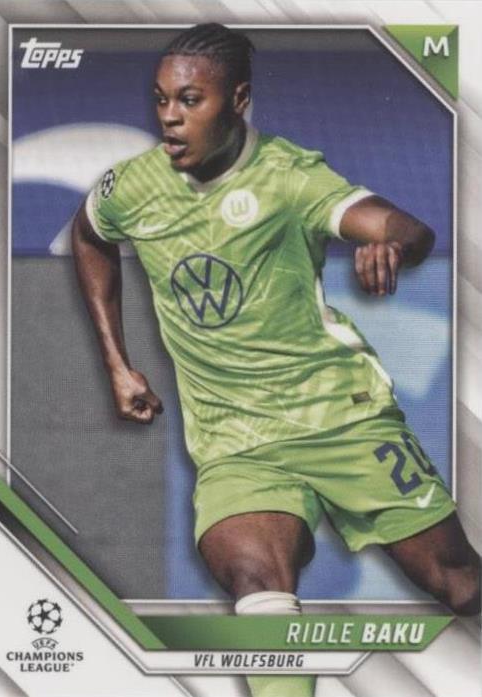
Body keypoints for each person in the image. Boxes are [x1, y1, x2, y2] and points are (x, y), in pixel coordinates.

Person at [72, 23, 480, 697]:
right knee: (255, 583)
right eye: (162, 99)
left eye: (190, 100)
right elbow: (90, 234)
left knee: (458, 583)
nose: (170, 116)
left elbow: (401, 225)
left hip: (340, 418)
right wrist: (117, 361)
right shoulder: (134, 186)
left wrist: (391, 245)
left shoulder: (290, 177)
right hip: (235, 441)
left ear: (238, 101)